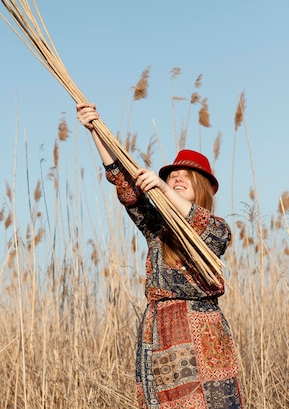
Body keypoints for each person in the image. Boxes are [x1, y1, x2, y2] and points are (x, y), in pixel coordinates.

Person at [77, 102, 245, 409]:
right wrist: (95, 130)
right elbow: (126, 187)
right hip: (159, 330)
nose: (178, 178)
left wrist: (165, 192)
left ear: (204, 188)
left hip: (200, 333)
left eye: (187, 176)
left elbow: (205, 228)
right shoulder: (157, 228)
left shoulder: (215, 228)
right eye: (172, 175)